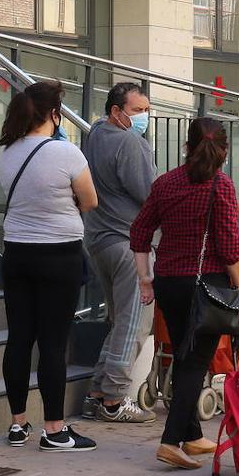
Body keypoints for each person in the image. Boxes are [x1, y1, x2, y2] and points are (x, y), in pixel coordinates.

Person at [132, 118, 239, 470]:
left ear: (187, 146)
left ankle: (192, 435)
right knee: (196, 362)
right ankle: (170, 441)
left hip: (169, 282)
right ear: (224, 151)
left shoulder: (166, 182)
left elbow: (139, 232)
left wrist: (145, 279)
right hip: (206, 285)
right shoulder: (220, 185)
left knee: (185, 355)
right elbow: (229, 247)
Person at [0, 80, 98, 453]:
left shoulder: (7, 152)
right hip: (59, 255)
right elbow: (90, 200)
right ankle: (54, 430)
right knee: (53, 342)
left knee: (19, 338)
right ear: (54, 115)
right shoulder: (67, 153)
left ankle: (18, 423)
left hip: (16, 252)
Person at [81, 82, 157, 424]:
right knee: (134, 323)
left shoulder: (96, 134)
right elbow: (150, 196)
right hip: (129, 245)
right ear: (116, 111)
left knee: (119, 321)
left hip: (99, 241)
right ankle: (114, 399)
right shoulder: (130, 143)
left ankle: (98, 392)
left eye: (147, 110)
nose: (144, 117)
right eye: (137, 110)